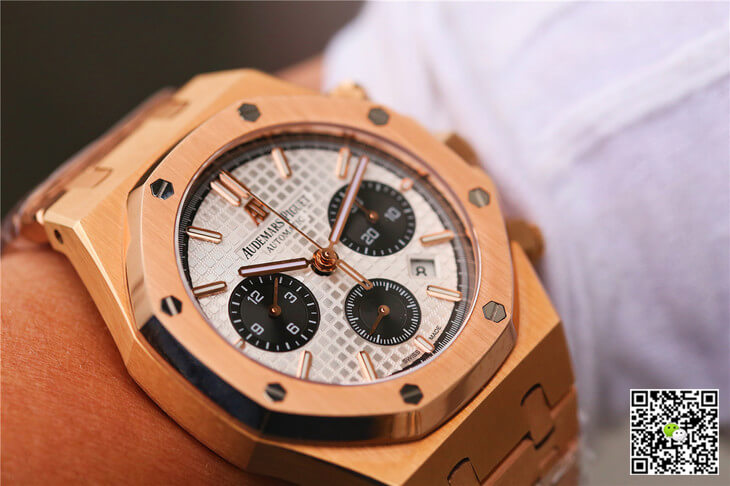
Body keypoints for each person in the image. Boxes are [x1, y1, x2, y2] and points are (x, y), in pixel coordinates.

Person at [2, 2, 728, 483]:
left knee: (663, 449)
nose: (327, 260)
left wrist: (655, 449)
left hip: (614, 384)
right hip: (622, 384)